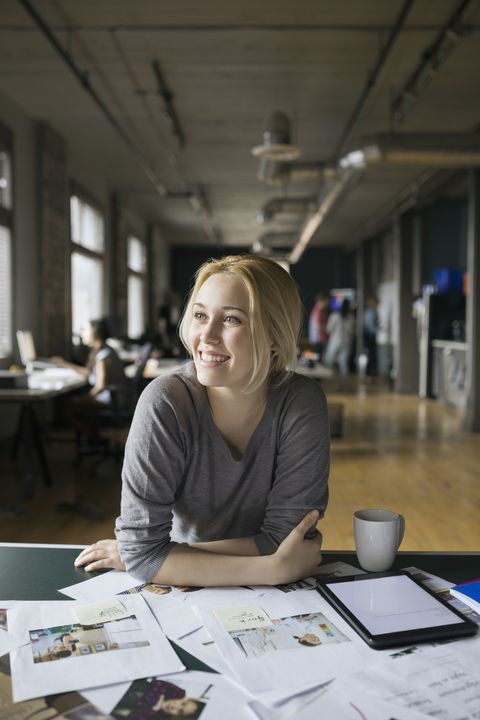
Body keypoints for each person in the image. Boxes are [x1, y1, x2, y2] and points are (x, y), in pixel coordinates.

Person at [74, 255, 329, 587]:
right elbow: (143, 555)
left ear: (275, 337)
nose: (206, 335)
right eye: (199, 315)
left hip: (193, 575)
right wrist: (273, 569)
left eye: (232, 319)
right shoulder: (165, 402)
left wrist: (164, 558)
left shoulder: (301, 403)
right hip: (184, 591)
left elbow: (285, 540)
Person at [52, 318, 129, 440]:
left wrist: (84, 398)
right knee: (72, 403)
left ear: (95, 333)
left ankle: (94, 438)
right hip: (111, 396)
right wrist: (65, 364)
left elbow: (100, 386)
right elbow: (88, 373)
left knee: (68, 407)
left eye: (85, 330)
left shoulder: (103, 356)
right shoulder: (102, 350)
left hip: (111, 399)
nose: (83, 333)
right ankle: (93, 437)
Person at [323, 298, 355, 377]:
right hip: (346, 342)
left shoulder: (335, 315)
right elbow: (352, 331)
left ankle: (327, 381)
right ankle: (343, 384)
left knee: (328, 361)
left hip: (335, 341)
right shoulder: (351, 317)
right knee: (343, 363)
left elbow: (329, 329)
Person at [307, 293, 328, 358]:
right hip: (317, 339)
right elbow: (317, 326)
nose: (327, 303)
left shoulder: (318, 310)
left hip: (317, 339)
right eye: (326, 301)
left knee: (317, 357)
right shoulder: (318, 311)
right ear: (322, 301)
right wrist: (328, 329)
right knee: (317, 358)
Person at [363, 297, 379, 376]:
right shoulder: (370, 313)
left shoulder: (371, 312)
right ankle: (369, 374)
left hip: (370, 337)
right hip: (369, 338)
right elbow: (371, 328)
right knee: (370, 356)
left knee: (370, 356)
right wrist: (381, 330)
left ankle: (369, 374)